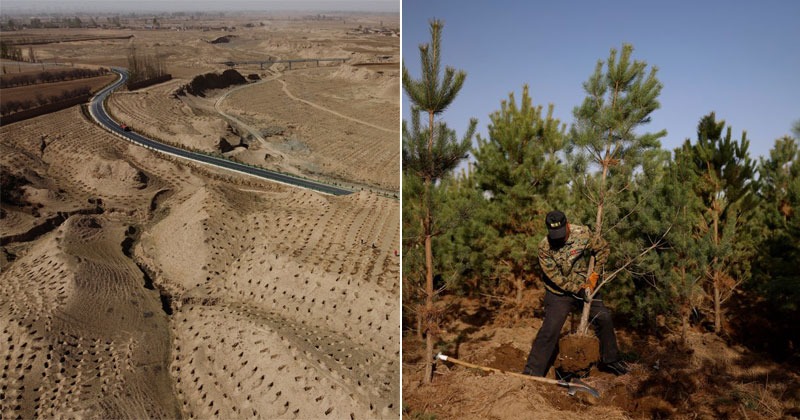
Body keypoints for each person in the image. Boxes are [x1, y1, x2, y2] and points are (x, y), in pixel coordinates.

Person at [522, 210, 630, 377]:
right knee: (550, 329)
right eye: (554, 234)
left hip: (584, 286)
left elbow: (603, 249)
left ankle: (611, 360)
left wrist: (594, 275)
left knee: (604, 318)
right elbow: (554, 276)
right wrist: (575, 289)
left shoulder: (582, 233)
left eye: (561, 233)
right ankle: (532, 371)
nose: (558, 238)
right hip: (558, 292)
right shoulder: (544, 247)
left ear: (568, 224)